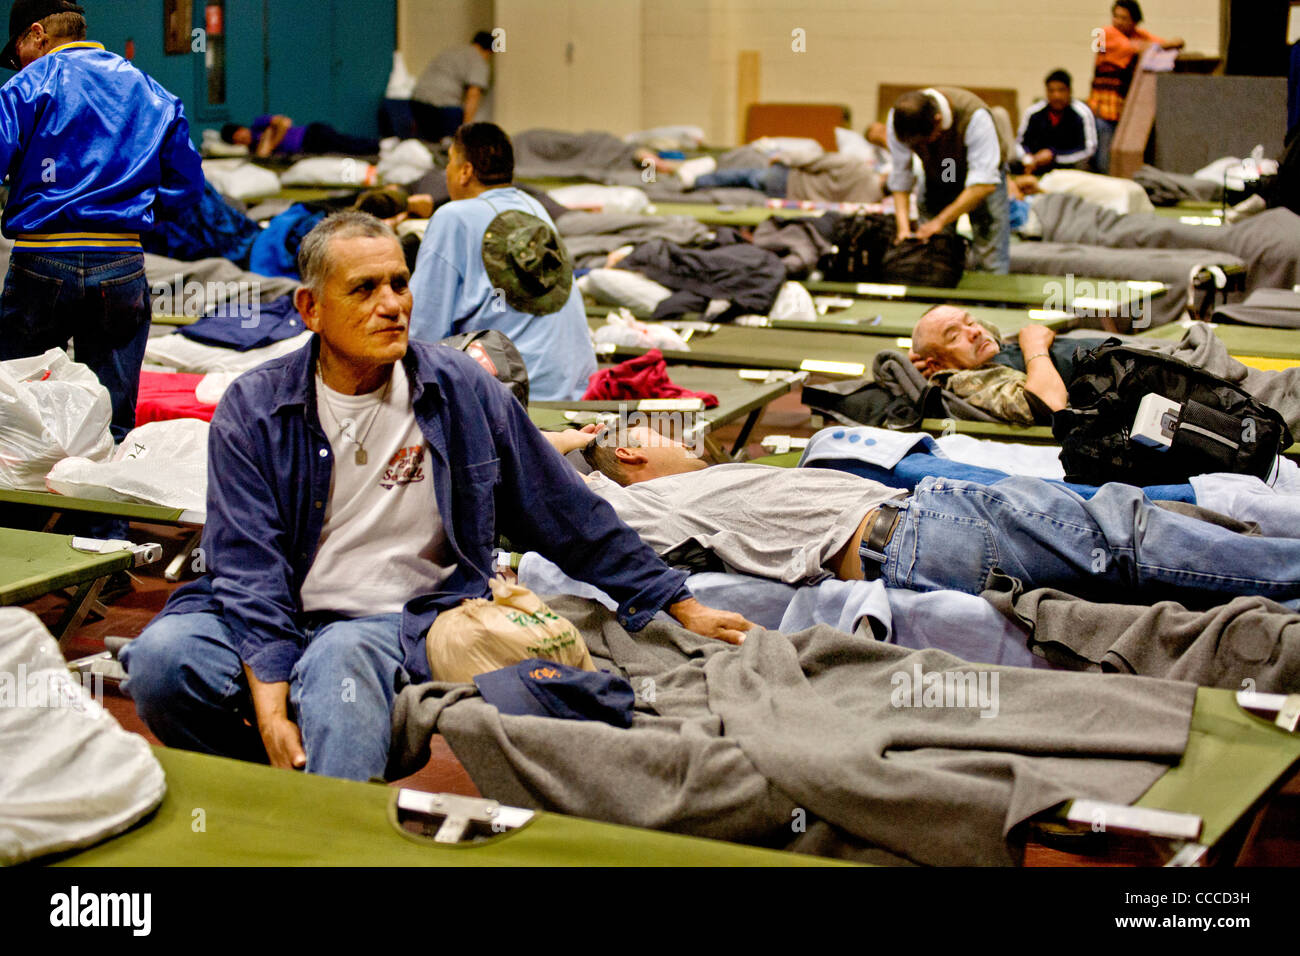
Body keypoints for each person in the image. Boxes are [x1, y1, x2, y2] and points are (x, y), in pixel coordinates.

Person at [119, 212, 751, 782]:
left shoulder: (461, 391)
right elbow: (247, 568)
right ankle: (285, 790)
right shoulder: (255, 409)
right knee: (162, 661)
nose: (391, 304)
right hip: (276, 605)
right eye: (364, 289)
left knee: (339, 661)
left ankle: (335, 841)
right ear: (310, 309)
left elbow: (567, 514)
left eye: (399, 283)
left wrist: (678, 602)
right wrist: (271, 704)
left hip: (398, 616)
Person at [574, 425, 1300, 612]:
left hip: (922, 524)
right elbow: (528, 466)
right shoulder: (634, 506)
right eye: (660, 433)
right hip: (912, 533)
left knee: (1137, 536)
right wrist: (580, 445)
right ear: (633, 454)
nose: (682, 438)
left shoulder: (718, 482)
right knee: (1129, 537)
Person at [0, 0, 204, 530]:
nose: (16, 63)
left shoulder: (28, 86)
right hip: (121, 261)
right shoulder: (150, 89)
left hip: (41, 259)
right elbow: (187, 187)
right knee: (112, 417)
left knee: (12, 404)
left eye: (17, 50)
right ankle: (106, 553)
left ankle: (15, 538)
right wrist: (129, 212)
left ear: (37, 35)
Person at [408, 122, 596, 401]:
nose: (445, 171)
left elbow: (422, 330)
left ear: (465, 171)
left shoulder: (453, 217)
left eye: (449, 161)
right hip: (575, 389)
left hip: (511, 397)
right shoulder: (535, 208)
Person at [886, 87, 1015, 274]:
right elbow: (901, 176)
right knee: (932, 252)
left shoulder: (975, 117)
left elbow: (983, 184)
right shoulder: (900, 119)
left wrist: (939, 221)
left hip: (983, 180)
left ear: (937, 121)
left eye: (925, 141)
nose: (921, 147)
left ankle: (989, 302)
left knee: (990, 259)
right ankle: (936, 302)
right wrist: (903, 229)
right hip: (946, 170)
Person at [907, 305, 1098, 424]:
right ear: (938, 365)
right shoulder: (966, 381)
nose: (974, 332)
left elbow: (988, 330)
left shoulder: (987, 349)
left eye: (971, 322)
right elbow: (1050, 405)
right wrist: (1035, 347)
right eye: (954, 336)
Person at [1087, 1, 1183, 174]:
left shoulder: (1136, 35)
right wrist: (1166, 44)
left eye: (1124, 18)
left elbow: (1162, 43)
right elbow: (1141, 48)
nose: (1118, 21)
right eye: (1115, 16)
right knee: (1103, 161)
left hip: (1121, 111)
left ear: (1134, 21)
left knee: (1115, 159)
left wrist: (1176, 41)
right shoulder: (1103, 35)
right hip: (1102, 111)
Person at [411, 31, 493, 142]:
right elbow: (473, 95)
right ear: (488, 51)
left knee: (426, 144)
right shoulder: (478, 60)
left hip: (417, 102)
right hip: (443, 108)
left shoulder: (451, 51)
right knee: (450, 145)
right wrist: (466, 130)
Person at [1015, 69, 1098, 174]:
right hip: (1036, 163)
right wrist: (1029, 158)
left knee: (1083, 166)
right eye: (1051, 91)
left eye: (1061, 90)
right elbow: (1019, 143)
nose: (1056, 96)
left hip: (1068, 164)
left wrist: (1054, 156)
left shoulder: (1082, 113)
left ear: (1069, 91)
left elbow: (1089, 150)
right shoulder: (1033, 112)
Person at [220, 115, 380, 159]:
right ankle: (377, 147)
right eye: (238, 142)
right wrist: (267, 139)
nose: (243, 140)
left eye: (241, 136)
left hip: (310, 134)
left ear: (242, 128)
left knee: (345, 142)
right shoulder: (253, 149)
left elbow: (284, 122)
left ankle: (378, 145)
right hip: (308, 146)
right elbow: (263, 154)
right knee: (343, 148)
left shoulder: (258, 124)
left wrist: (271, 141)